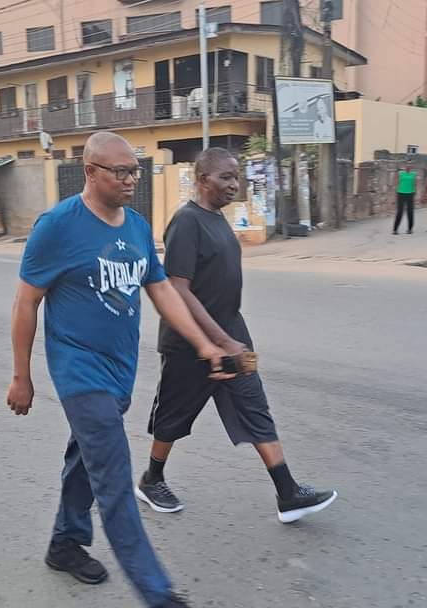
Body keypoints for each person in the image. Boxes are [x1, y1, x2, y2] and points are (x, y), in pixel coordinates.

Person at [7, 131, 232, 608]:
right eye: (121, 171)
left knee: (83, 460)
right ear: (90, 172)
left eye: (136, 170)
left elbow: (162, 290)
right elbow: (26, 302)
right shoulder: (58, 226)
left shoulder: (134, 224)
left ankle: (65, 543)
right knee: (113, 475)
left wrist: (203, 342)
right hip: (78, 371)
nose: (132, 179)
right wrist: (21, 376)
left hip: (119, 370)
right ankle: (158, 594)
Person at [136, 148, 337, 523]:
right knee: (174, 416)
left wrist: (231, 338)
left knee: (255, 406)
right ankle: (152, 478)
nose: (234, 184)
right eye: (225, 177)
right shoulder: (187, 222)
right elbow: (178, 288)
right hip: (190, 343)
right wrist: (215, 340)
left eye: (236, 176)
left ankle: (287, 492)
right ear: (202, 179)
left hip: (231, 333)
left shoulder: (217, 219)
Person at [394, 161, 419, 235]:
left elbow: (415, 184)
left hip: (410, 194)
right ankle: (395, 229)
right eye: (407, 164)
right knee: (400, 212)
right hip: (401, 193)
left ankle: (410, 229)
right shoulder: (400, 173)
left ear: (412, 166)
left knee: (410, 212)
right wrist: (395, 193)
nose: (409, 165)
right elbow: (396, 183)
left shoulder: (414, 174)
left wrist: (415, 193)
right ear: (405, 165)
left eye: (410, 164)